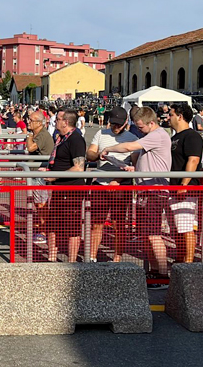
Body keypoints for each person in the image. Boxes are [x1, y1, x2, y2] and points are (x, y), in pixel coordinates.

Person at [101, 106, 172, 279]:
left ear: (151, 123)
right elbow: (149, 161)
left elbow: (129, 147)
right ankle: (154, 271)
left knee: (153, 235)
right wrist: (133, 168)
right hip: (145, 190)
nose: (139, 130)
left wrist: (109, 148)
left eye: (141, 127)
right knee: (146, 234)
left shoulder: (157, 135)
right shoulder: (151, 136)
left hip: (154, 191)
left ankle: (163, 274)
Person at [85, 106, 137, 262]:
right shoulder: (101, 133)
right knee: (97, 223)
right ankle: (92, 257)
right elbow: (90, 153)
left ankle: (117, 258)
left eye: (119, 124)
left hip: (121, 185)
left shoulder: (133, 138)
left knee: (118, 223)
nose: (116, 127)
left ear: (126, 122)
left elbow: (135, 165)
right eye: (113, 123)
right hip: (101, 183)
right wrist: (98, 155)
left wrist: (118, 180)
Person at [44, 109, 87, 262]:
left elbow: (79, 167)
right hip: (58, 188)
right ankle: (51, 258)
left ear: (66, 122)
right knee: (53, 223)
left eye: (58, 119)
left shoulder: (75, 139)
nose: (55, 122)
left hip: (71, 189)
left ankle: (72, 261)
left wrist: (55, 175)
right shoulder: (61, 138)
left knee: (72, 226)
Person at [168, 103, 203, 265]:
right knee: (176, 227)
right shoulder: (175, 137)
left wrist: (184, 184)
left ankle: (188, 263)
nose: (168, 118)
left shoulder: (192, 136)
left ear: (180, 116)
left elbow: (193, 159)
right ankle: (181, 258)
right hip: (174, 187)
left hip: (185, 189)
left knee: (185, 226)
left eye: (171, 114)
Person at [26, 110, 56, 246]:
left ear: (39, 123)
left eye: (31, 120)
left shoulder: (42, 134)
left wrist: (28, 136)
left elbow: (31, 148)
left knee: (41, 204)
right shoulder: (38, 134)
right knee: (38, 203)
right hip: (36, 173)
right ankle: (44, 229)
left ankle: (44, 231)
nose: (28, 122)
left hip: (40, 173)